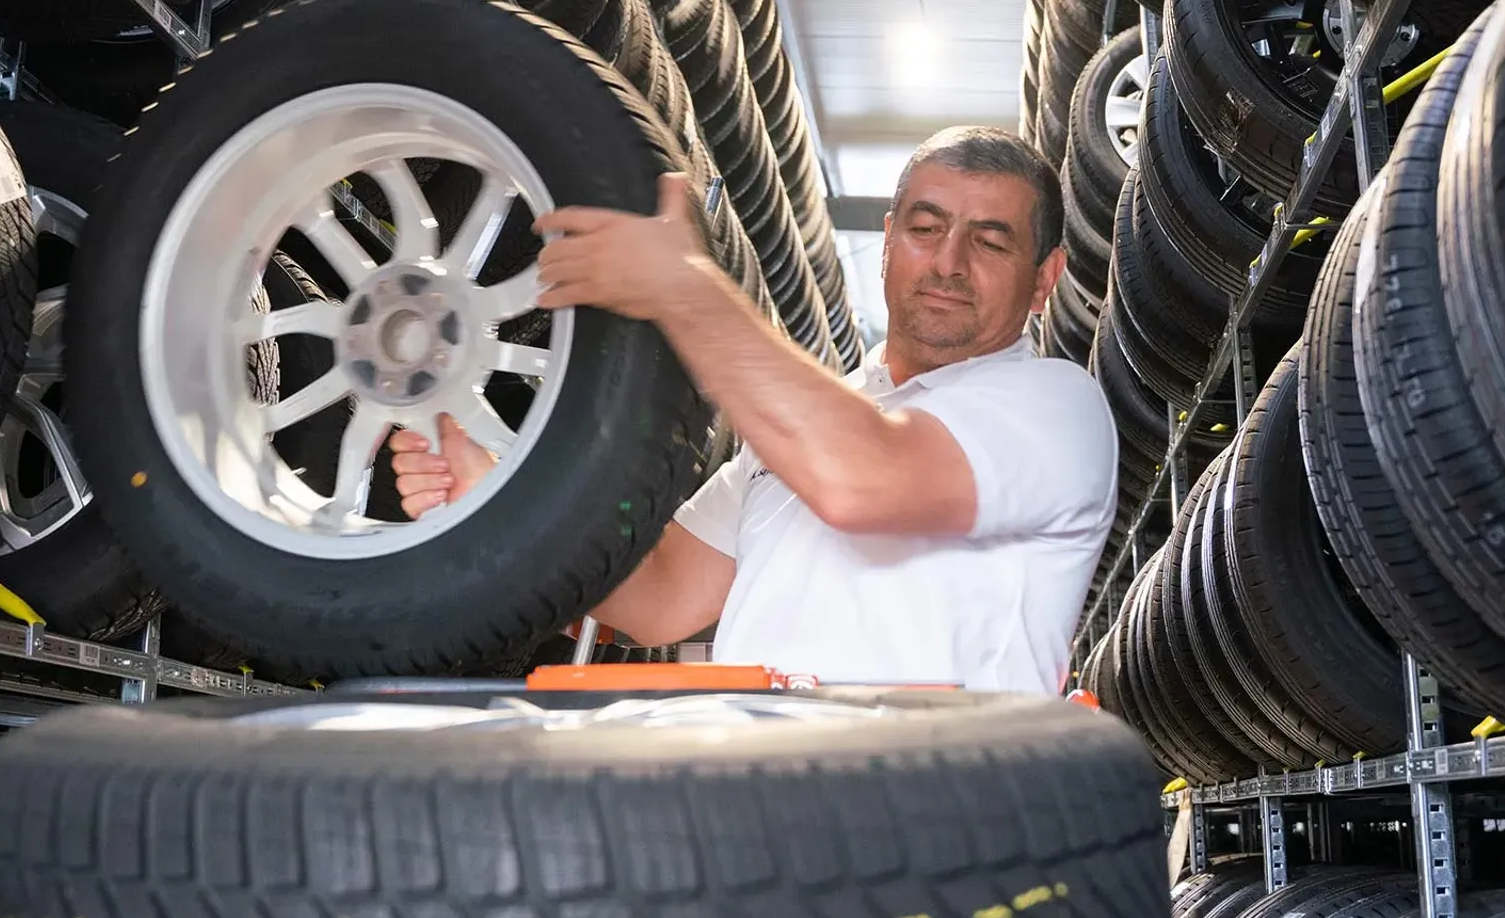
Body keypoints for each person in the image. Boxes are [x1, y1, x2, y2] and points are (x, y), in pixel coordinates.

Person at [388, 127, 1119, 693]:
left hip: (941, 834)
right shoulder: (801, 431)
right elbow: (662, 595)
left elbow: (863, 481)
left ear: (1044, 277)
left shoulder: (1055, 409)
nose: (950, 262)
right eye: (927, 229)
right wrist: (496, 494)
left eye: (991, 241)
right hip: (766, 822)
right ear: (889, 241)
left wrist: (686, 291)